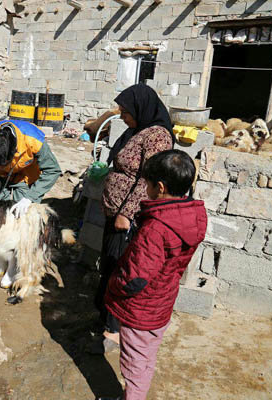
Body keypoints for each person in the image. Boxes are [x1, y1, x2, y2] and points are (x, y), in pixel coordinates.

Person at [98, 150, 207, 400]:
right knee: (145, 356)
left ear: (159, 187)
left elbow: (136, 278)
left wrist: (114, 286)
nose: (144, 188)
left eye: (146, 184)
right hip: (162, 301)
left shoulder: (156, 228)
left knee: (134, 365)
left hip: (141, 310)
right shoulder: (195, 214)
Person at [94, 83, 175, 352]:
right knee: (109, 264)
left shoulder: (157, 136)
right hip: (113, 211)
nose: (122, 116)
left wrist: (127, 214)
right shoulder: (136, 130)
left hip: (127, 217)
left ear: (141, 108)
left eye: (126, 111)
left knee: (120, 269)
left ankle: (113, 330)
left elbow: (148, 179)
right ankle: (104, 318)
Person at [0, 119, 62, 282]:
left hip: (25, 179)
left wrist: (30, 197)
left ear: (14, 151)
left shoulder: (33, 139)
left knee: (19, 225)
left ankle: (12, 268)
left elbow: (53, 170)